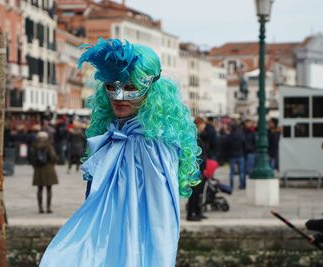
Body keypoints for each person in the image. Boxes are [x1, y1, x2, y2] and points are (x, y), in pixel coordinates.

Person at [39, 39, 200, 267]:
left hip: (133, 248)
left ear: (152, 92)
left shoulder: (152, 143)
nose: (119, 97)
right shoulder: (112, 134)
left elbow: (159, 215)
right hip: (103, 240)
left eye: (131, 88)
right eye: (111, 87)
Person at [29, 131, 58, 214]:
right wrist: (54, 161)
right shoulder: (48, 145)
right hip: (48, 168)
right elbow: (52, 157)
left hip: (38, 169)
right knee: (49, 189)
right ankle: (48, 208)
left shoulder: (33, 145)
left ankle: (40, 208)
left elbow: (30, 157)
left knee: (39, 189)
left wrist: (34, 166)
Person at [187, 117, 208, 221]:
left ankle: (197, 211)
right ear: (198, 124)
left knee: (198, 192)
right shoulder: (193, 137)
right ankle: (191, 213)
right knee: (194, 192)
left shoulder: (197, 136)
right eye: (203, 124)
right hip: (195, 169)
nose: (204, 126)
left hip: (200, 168)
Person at [227, 122, 246, 190]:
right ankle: (242, 185)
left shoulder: (230, 135)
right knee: (241, 171)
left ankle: (231, 186)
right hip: (240, 154)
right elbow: (244, 145)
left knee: (232, 172)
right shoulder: (241, 135)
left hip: (232, 155)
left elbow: (227, 145)